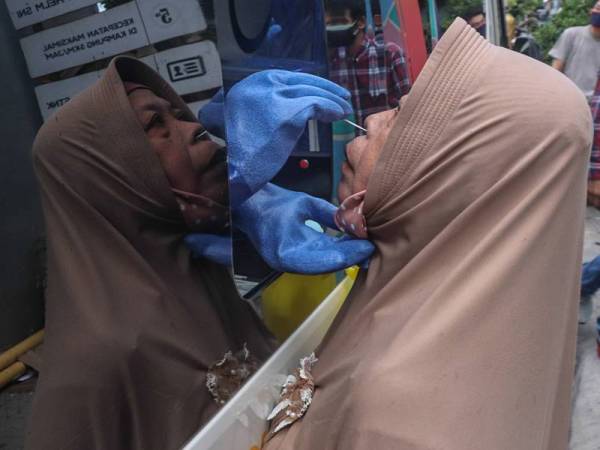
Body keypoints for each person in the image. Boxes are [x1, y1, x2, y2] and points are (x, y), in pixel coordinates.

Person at [264, 17, 591, 450]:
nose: (373, 119)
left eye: (401, 113)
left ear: (448, 178)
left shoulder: (392, 420)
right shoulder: (496, 323)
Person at [25, 56, 371, 449]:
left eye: (178, 114)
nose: (194, 128)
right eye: (157, 125)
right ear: (107, 179)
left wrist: (248, 207)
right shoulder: (98, 361)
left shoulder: (199, 268)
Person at [324, 0, 411, 129]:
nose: (335, 28)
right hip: (342, 145)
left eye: (341, 22)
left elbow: (408, 107)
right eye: (330, 24)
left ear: (361, 22)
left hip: (381, 145)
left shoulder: (390, 55)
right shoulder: (328, 62)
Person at [550, 1, 600, 99]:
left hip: (595, 103)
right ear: (590, 11)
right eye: (597, 8)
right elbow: (555, 70)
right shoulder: (571, 34)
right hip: (569, 98)